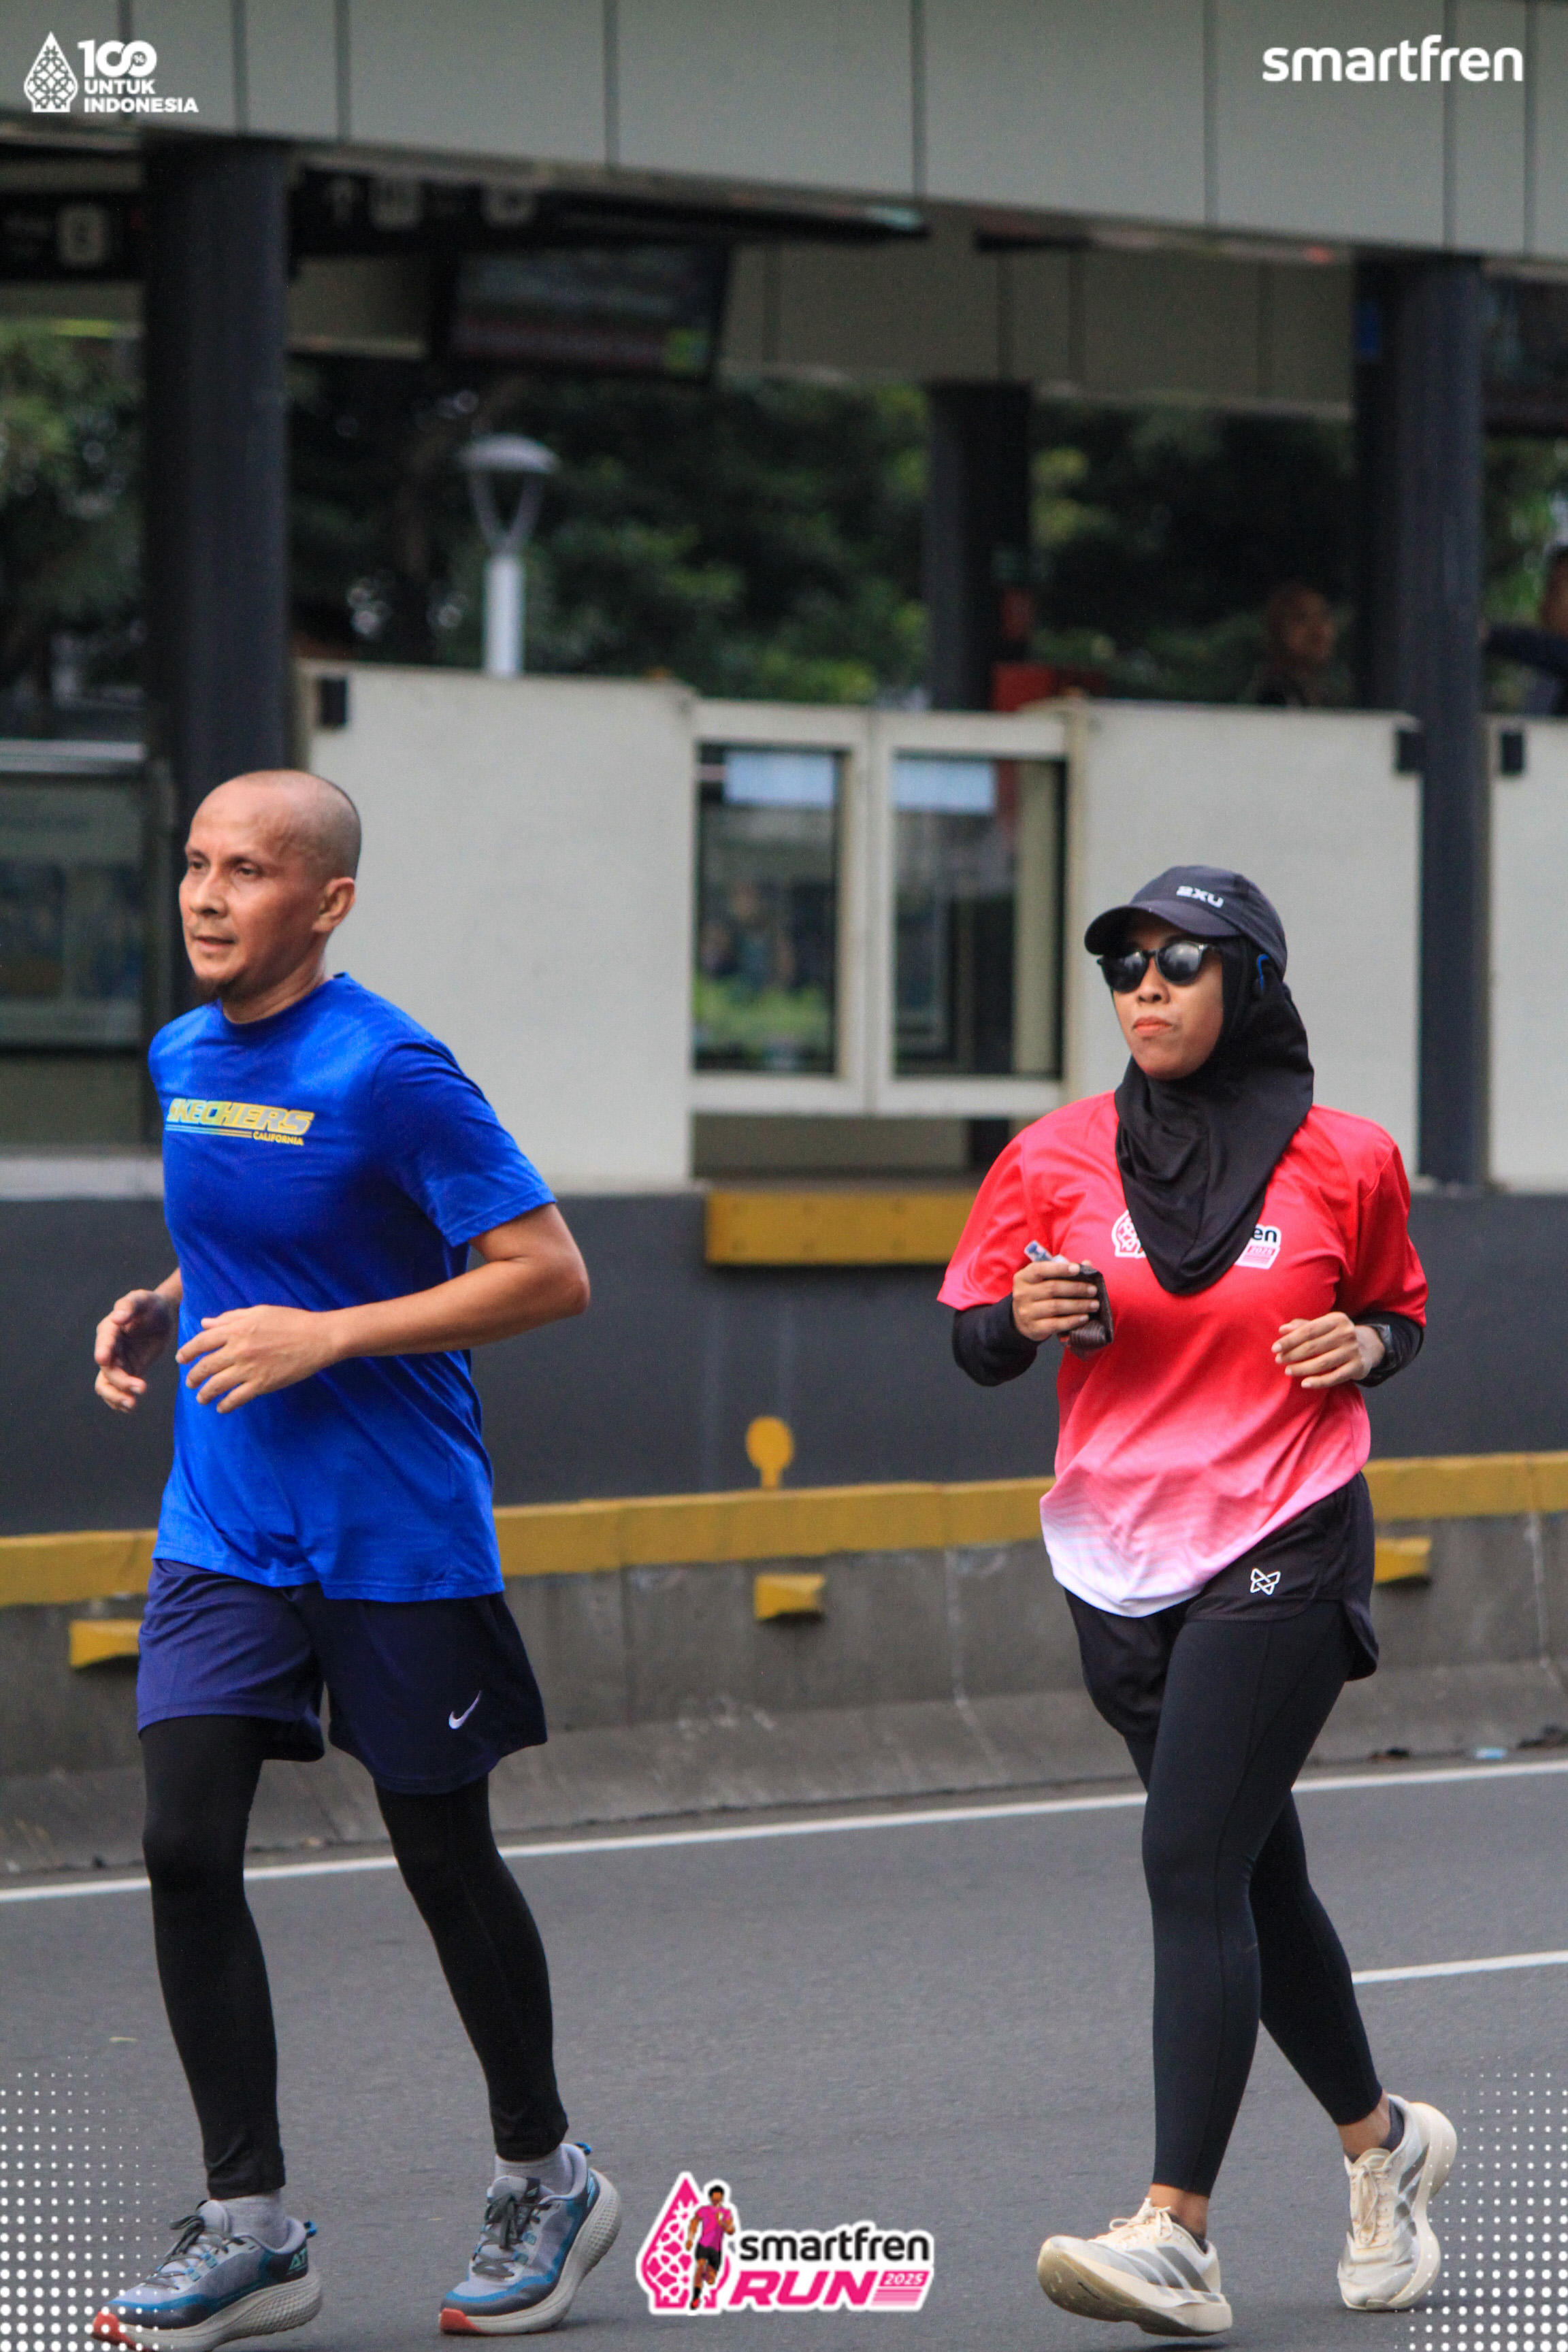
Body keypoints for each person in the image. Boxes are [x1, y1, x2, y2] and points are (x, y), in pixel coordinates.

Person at [90, 769, 620, 2347]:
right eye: (196, 862)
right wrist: (168, 1299)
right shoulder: (184, 1054)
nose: (207, 894)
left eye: (247, 869)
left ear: (326, 902)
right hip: (225, 1524)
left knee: (441, 1857)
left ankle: (546, 2173)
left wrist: (326, 1334)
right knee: (184, 1843)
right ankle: (251, 2228)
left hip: (393, 1529)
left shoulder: (394, 1070)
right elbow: (260, 1222)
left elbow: (549, 1273)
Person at [940, 864, 1452, 2338]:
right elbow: (974, 1337)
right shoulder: (1052, 1154)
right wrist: (1015, 1319)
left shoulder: (1347, 1158)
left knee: (1185, 1859)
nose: (1145, 989)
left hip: (1286, 1533)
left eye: (1179, 962)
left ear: (1251, 984)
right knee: (1250, 1880)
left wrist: (1364, 1346)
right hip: (1117, 1561)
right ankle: (1383, 2146)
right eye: (1125, 966)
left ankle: (1176, 2232)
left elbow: (1397, 1310)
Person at [1483, 547, 1568, 715]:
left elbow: (1549, 650)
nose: (1544, 603)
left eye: (1555, 589)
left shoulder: (1555, 656)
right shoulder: (1550, 679)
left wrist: (1488, 635)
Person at [1254, 582, 1337, 707]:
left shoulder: (1328, 695)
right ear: (1278, 629)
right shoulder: (1274, 697)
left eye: (1323, 616)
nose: (1317, 630)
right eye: (1302, 618)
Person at [685, 2181, 736, 2308]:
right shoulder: (704, 2210)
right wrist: (690, 2239)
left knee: (710, 2280)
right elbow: (694, 2223)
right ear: (710, 2198)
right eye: (714, 2199)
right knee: (700, 2266)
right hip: (703, 2245)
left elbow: (731, 2231)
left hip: (716, 2250)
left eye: (719, 2199)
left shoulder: (726, 2213)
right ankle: (696, 2298)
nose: (716, 2201)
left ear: (722, 2198)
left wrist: (721, 2222)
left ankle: (703, 2276)